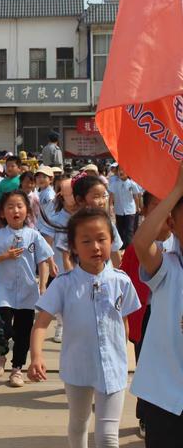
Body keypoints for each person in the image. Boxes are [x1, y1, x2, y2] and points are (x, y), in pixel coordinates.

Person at [28, 207, 141, 448]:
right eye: (86, 241)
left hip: (114, 369)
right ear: (74, 246)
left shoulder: (122, 281)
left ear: (112, 241)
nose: (96, 247)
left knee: (108, 435)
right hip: (77, 368)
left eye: (102, 239)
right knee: (79, 423)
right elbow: (41, 324)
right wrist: (36, 356)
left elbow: (124, 322)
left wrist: (123, 354)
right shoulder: (64, 284)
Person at [130, 164, 183, 447]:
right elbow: (141, 242)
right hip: (165, 394)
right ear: (172, 224)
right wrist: (176, 191)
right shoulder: (168, 266)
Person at [0, 190, 53, 387]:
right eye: (10, 207)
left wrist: (43, 285)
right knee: (3, 328)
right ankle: (0, 354)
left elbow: (43, 259)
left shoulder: (34, 235)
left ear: (27, 211)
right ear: (2, 213)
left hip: (28, 293)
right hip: (4, 291)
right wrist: (4, 256)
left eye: (19, 206)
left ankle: (17, 369)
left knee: (23, 333)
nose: (15, 210)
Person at [120, 191, 174, 438]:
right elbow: (140, 246)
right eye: (158, 206)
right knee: (147, 365)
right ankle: (145, 415)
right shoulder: (150, 254)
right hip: (148, 316)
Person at [58, 174, 123, 269]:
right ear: (80, 200)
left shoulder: (107, 223)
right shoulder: (72, 225)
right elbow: (67, 258)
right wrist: (72, 281)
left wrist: (118, 276)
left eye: (103, 196)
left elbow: (115, 252)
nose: (102, 201)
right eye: (96, 197)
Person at [47, 178, 78, 343]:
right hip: (60, 266)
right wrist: (50, 262)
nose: (74, 198)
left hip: (82, 266)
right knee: (61, 298)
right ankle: (60, 324)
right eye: (70, 194)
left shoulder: (85, 216)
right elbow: (47, 243)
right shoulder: (55, 218)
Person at [108, 166, 141, 249]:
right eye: (119, 170)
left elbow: (136, 196)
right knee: (120, 228)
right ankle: (122, 245)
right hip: (119, 209)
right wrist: (110, 206)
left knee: (129, 229)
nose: (121, 172)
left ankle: (129, 247)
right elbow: (111, 196)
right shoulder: (114, 184)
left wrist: (137, 207)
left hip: (130, 210)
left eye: (123, 170)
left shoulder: (132, 184)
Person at [35, 165, 56, 244]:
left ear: (50, 179)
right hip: (41, 227)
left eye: (44, 177)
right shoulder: (41, 192)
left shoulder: (49, 195)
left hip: (46, 229)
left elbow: (49, 214)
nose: (40, 179)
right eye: (38, 177)